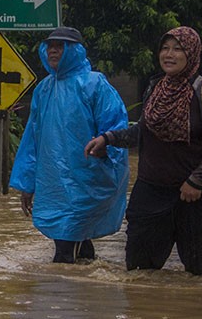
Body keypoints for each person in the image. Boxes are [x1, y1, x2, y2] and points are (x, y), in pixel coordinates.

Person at [84, 26, 202, 277]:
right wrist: (108, 138)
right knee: (138, 272)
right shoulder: (155, 90)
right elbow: (144, 132)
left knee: (196, 276)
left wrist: (196, 180)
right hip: (150, 193)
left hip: (195, 198)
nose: (169, 54)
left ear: (192, 54)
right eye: (165, 48)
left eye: (178, 49)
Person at [10, 26, 130, 264]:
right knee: (78, 247)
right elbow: (33, 139)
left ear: (74, 51)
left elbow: (116, 130)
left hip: (87, 182)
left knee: (64, 254)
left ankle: (61, 299)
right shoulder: (43, 89)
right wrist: (27, 183)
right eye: (50, 46)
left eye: (60, 46)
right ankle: (84, 297)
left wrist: (108, 159)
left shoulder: (94, 84)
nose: (54, 51)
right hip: (53, 186)